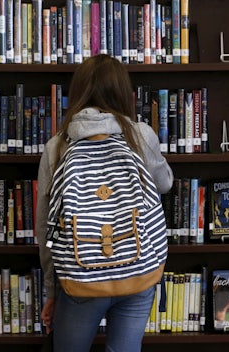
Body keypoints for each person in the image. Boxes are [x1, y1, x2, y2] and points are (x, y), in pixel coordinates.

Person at [36, 54, 173, 352]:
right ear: (124, 92)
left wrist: (51, 289)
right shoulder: (140, 134)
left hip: (80, 277)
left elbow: (46, 227)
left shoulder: (57, 145)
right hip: (138, 270)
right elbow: (165, 184)